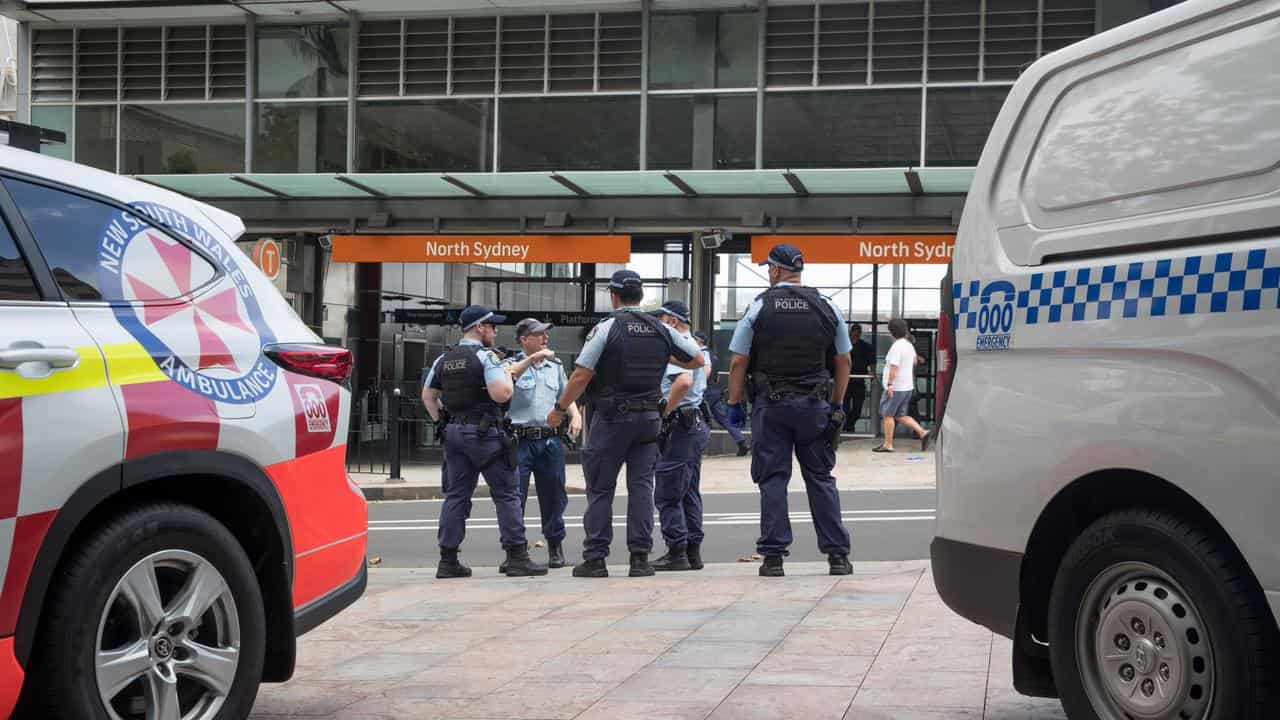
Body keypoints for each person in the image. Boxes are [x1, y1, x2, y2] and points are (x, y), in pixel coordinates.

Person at [545, 270, 703, 578]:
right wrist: (662, 357)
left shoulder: (607, 328)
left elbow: (581, 375)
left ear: (613, 296)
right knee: (641, 488)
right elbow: (696, 359)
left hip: (611, 419)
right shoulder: (660, 329)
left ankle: (595, 558)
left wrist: (560, 409)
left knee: (601, 489)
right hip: (649, 420)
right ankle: (640, 559)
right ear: (641, 297)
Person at [725, 243, 854, 578]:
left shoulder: (759, 307)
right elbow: (844, 360)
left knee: (773, 479)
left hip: (771, 407)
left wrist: (734, 404)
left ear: (775, 270)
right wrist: (837, 404)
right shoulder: (827, 306)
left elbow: (739, 360)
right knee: (821, 478)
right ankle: (837, 556)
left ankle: (773, 558)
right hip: (815, 407)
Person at [421, 306, 548, 579]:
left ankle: (448, 560)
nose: (495, 330)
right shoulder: (487, 357)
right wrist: (509, 379)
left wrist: (442, 422)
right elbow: (501, 394)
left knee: (456, 495)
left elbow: (428, 397)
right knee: (506, 494)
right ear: (480, 327)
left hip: (454, 434)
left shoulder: (444, 358)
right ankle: (516, 557)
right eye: (491, 326)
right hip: (485, 434)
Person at [503, 318, 582, 570]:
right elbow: (507, 379)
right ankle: (514, 551)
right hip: (519, 440)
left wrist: (575, 414)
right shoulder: (510, 365)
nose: (545, 338)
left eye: (546, 334)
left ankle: (555, 548)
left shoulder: (554, 365)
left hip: (548, 440)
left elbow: (564, 394)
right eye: (539, 334)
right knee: (515, 497)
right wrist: (532, 360)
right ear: (524, 339)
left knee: (554, 496)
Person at [650, 301, 710, 572]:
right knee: (688, 490)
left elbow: (683, 382)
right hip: (693, 423)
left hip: (679, 426)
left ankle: (677, 552)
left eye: (661, 319)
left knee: (668, 492)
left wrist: (664, 412)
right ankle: (692, 551)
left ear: (672, 321)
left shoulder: (679, 345)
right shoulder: (696, 347)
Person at [874, 318, 931, 453]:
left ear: (891, 332)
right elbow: (915, 362)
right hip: (907, 387)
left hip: (896, 387)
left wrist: (889, 384)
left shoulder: (897, 346)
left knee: (887, 414)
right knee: (899, 415)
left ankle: (888, 444)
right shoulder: (908, 345)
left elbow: (894, 366)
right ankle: (922, 432)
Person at [698, 331, 751, 456]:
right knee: (723, 419)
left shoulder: (702, 354)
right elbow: (716, 377)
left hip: (705, 392)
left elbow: (707, 371)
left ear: (699, 341)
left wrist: (699, 385)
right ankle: (741, 442)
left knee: (699, 420)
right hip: (715, 392)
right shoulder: (713, 355)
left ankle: (698, 448)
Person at [844, 323, 874, 432]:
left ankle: (850, 424)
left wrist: (873, 375)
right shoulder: (844, 346)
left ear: (860, 334)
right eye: (854, 333)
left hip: (859, 381)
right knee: (845, 407)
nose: (856, 335)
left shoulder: (866, 347)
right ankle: (847, 426)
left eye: (858, 333)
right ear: (851, 332)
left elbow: (872, 362)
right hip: (845, 382)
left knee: (857, 408)